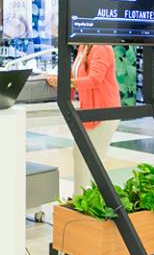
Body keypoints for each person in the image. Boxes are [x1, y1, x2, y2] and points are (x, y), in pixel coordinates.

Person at [45, 44, 120, 195]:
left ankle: (97, 201)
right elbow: (77, 76)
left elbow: (94, 79)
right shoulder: (83, 47)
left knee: (94, 161)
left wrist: (66, 83)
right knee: (80, 157)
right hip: (89, 111)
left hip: (104, 111)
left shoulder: (102, 48)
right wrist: (60, 80)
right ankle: (80, 200)